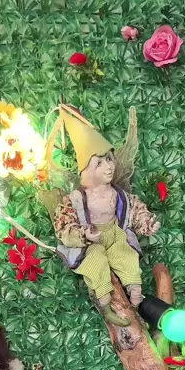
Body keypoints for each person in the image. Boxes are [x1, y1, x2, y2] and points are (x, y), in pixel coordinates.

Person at [52, 105, 160, 326]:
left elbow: (134, 209)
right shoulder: (76, 198)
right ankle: (107, 307)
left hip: (114, 232)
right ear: (87, 170)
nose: (108, 167)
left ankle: (136, 298)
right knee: (96, 261)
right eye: (99, 163)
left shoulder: (118, 194)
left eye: (109, 159)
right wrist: (82, 234)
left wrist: (146, 222)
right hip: (93, 239)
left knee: (126, 255)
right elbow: (64, 224)